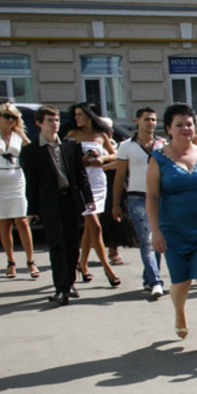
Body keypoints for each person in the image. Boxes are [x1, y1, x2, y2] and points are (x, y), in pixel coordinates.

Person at [146, 103, 197, 355]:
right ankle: (179, 312)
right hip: (173, 231)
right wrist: (155, 231)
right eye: (179, 125)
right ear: (168, 129)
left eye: (189, 124)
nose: (186, 129)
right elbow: (152, 197)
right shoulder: (158, 158)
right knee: (181, 282)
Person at [20, 105, 95, 305]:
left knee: (72, 246)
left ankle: (70, 283)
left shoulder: (70, 145)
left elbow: (81, 175)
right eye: (50, 121)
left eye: (56, 120)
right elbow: (32, 182)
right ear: (39, 123)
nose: (55, 124)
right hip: (49, 203)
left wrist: (88, 198)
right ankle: (61, 288)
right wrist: (32, 209)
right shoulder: (32, 151)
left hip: (70, 200)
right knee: (57, 246)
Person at [66, 102, 120, 287]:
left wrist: (102, 158)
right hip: (82, 183)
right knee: (95, 227)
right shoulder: (72, 134)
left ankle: (82, 264)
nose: (77, 118)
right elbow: (66, 161)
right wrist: (82, 161)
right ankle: (108, 269)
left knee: (91, 227)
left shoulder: (101, 134)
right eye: (75, 115)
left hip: (98, 181)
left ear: (89, 116)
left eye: (80, 114)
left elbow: (116, 155)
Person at [114, 107, 166, 299]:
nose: (151, 123)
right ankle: (156, 282)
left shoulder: (162, 144)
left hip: (159, 197)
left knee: (158, 239)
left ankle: (149, 278)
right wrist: (115, 204)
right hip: (136, 197)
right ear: (137, 121)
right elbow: (120, 176)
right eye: (146, 119)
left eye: (153, 119)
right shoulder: (126, 146)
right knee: (147, 240)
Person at [0, 103, 37, 280]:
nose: (10, 120)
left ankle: (30, 261)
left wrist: (23, 137)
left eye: (14, 117)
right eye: (7, 116)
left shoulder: (17, 136)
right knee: (4, 223)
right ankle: (11, 261)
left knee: (22, 221)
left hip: (17, 179)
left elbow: (33, 153)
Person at [99, 116, 139, 268]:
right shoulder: (96, 145)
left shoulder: (117, 145)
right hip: (102, 185)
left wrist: (108, 164)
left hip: (120, 184)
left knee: (120, 217)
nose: (108, 133)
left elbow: (124, 161)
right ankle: (110, 251)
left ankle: (114, 249)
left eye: (109, 129)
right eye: (104, 129)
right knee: (103, 220)